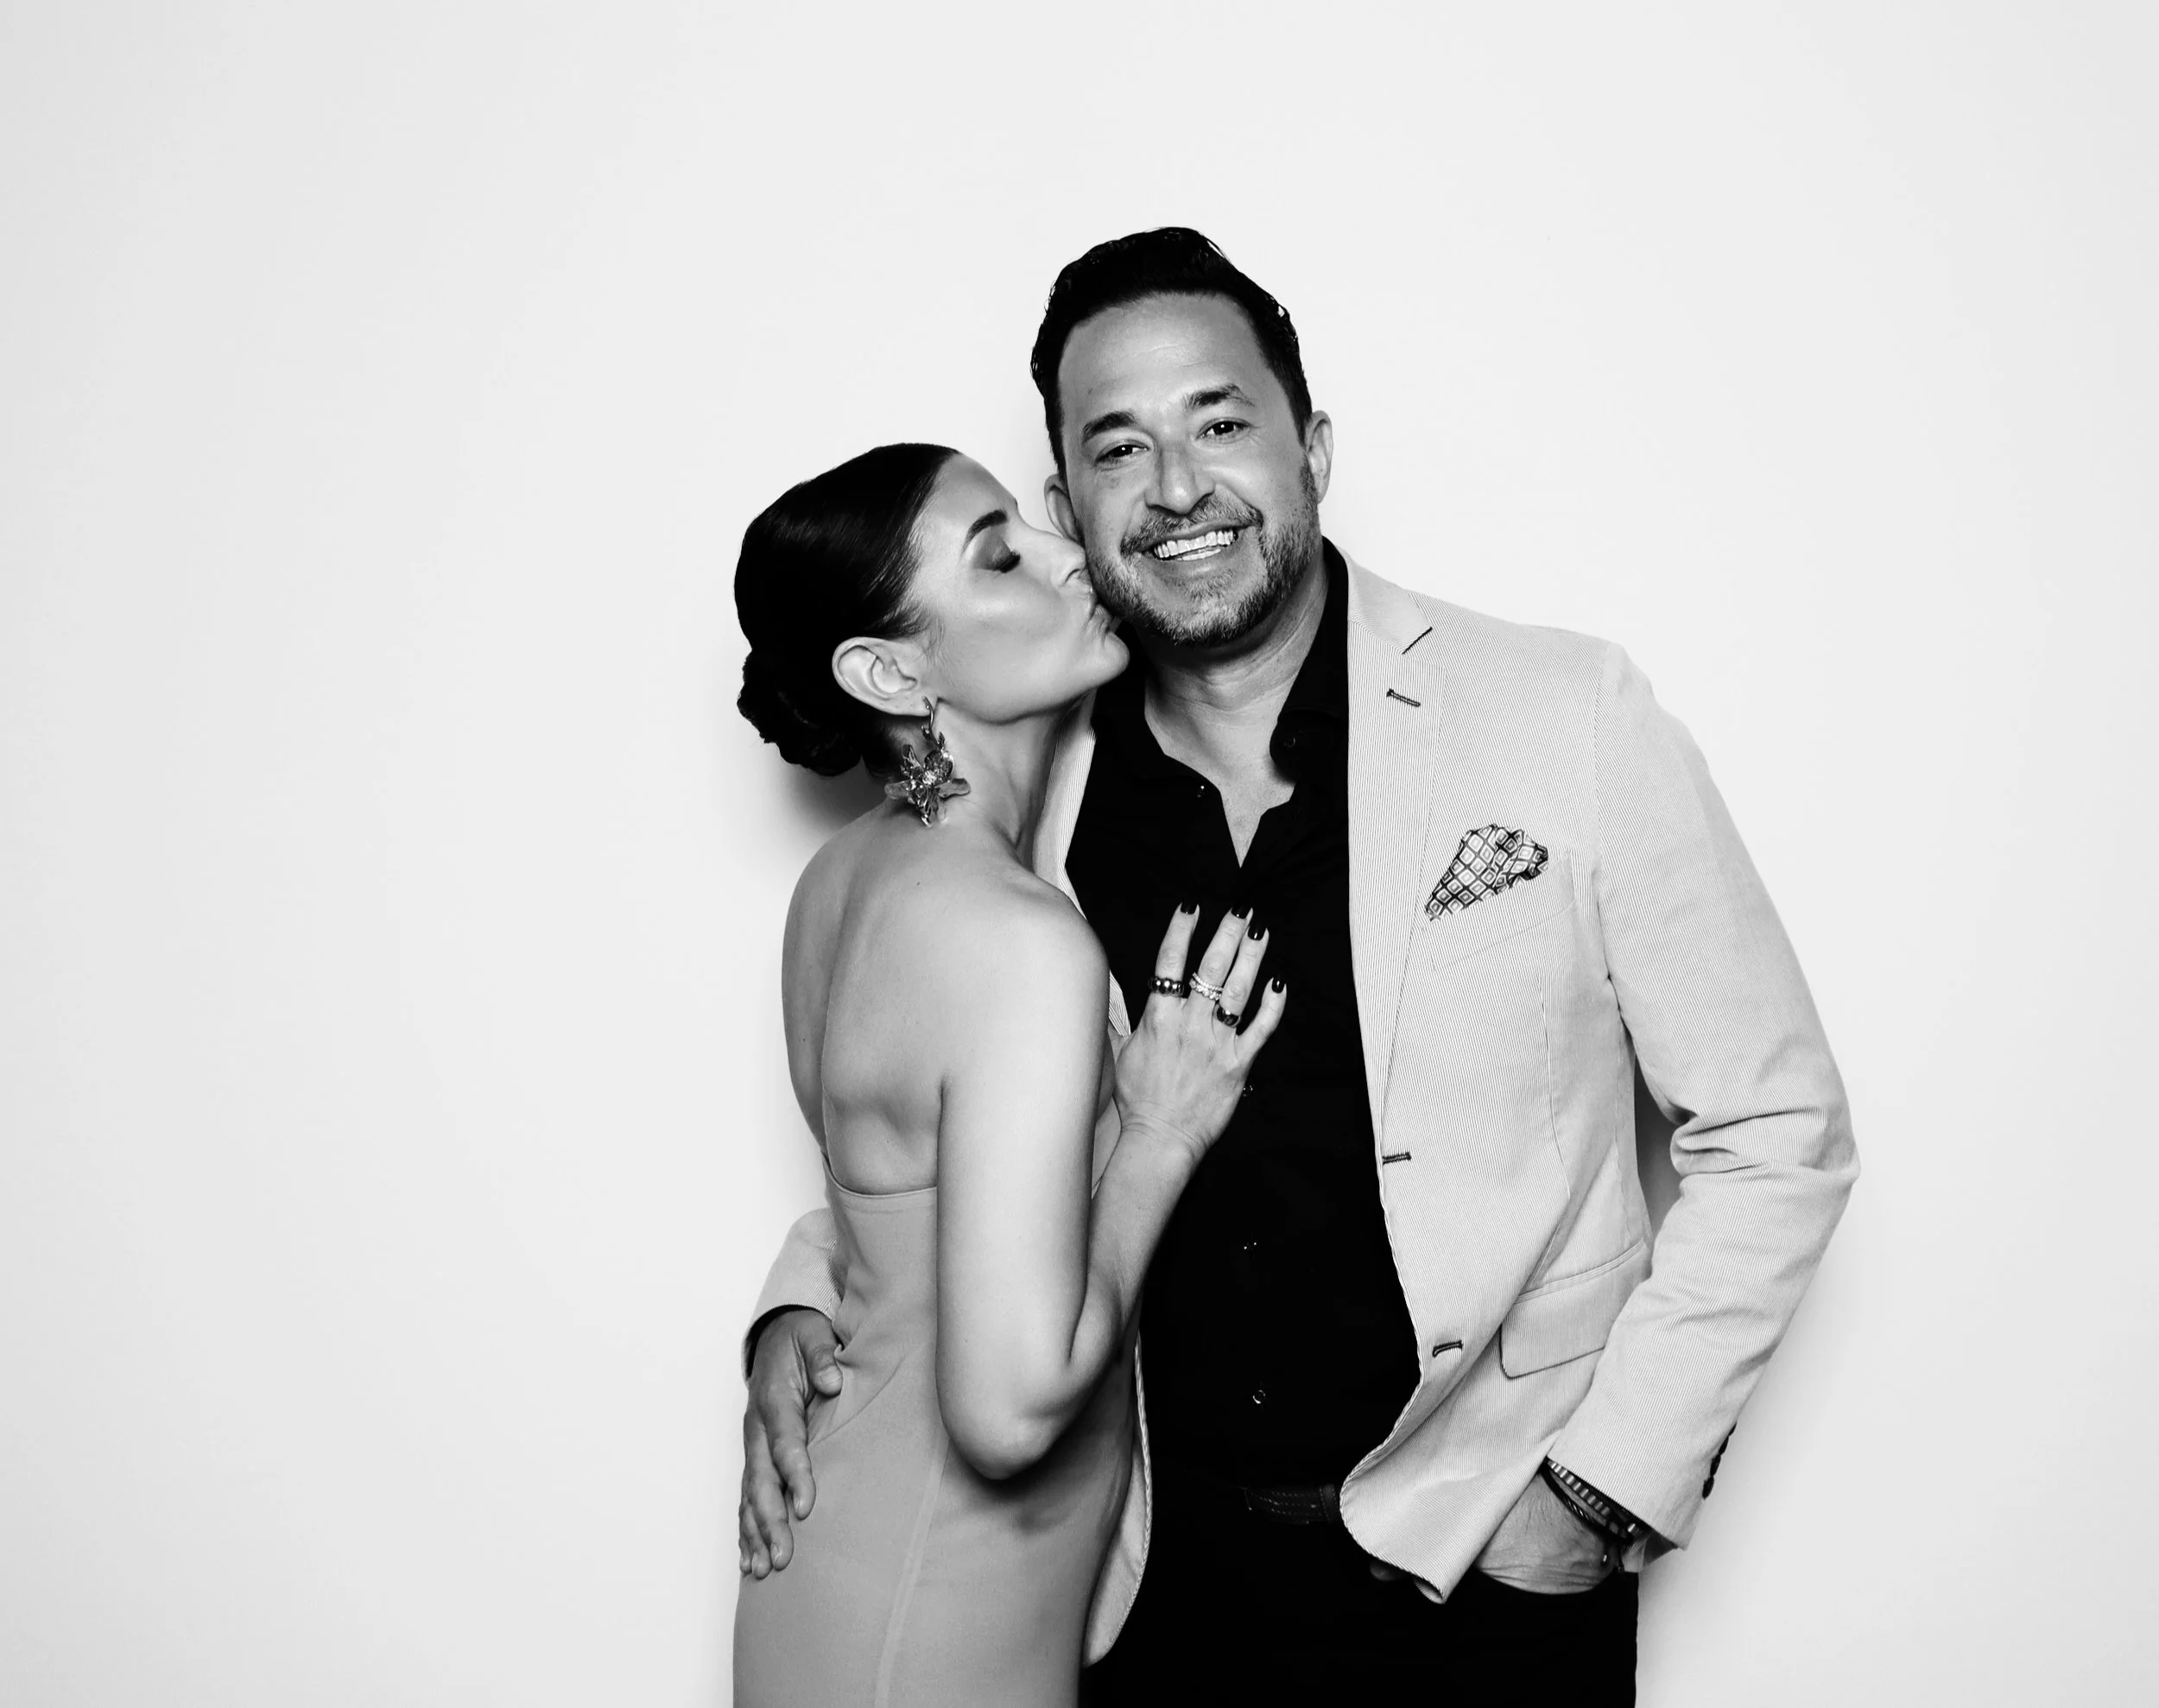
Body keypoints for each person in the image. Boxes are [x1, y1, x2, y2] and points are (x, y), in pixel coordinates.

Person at [739, 231, 1858, 1705]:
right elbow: (937, 1105)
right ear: (1071, 501)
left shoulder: (1561, 711)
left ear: (1313, 447)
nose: (1181, 486)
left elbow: (1776, 1130)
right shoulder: (1030, 781)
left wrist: (1593, 1497)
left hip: (1491, 1587)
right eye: (1119, 447)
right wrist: (804, 1304)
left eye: (1221, 422)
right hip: (1145, 1594)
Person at [728, 441, 1288, 1708]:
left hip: (840, 1580)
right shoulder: (1015, 941)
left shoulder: (841, 884)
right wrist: (1154, 1131)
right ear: (888, 671)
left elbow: (899, 1221)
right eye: (1000, 555)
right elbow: (1009, 1408)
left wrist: (787, 1312)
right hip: (942, 1625)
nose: (1067, 555)